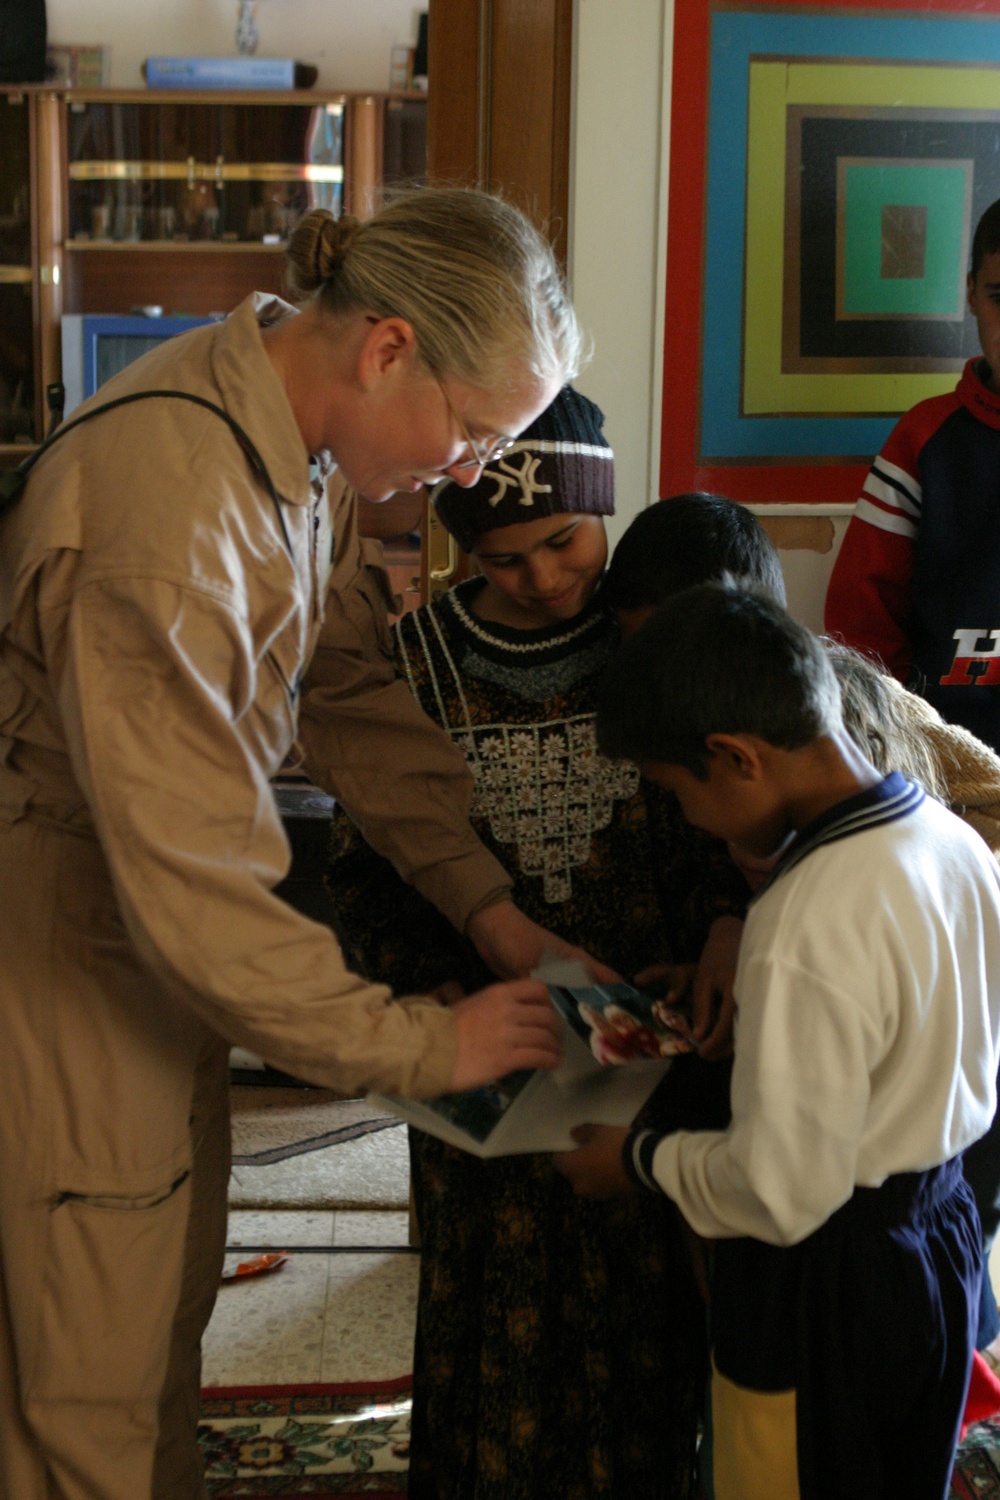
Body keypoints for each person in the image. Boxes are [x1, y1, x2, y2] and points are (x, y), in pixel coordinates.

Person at [0, 187, 594, 1500]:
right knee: (84, 1387)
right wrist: (430, 1048)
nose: (470, 477)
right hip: (70, 951)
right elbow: (197, 889)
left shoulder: (287, 443)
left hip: (142, 952)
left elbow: (346, 697)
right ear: (388, 348)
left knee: (152, 1312)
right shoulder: (169, 516)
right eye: (476, 433)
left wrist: (488, 907)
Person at [324, 393, 748, 1500]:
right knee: (490, 1334)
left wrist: (727, 927)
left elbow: (734, 817)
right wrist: (436, 1001)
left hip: (649, 1056)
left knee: (648, 1314)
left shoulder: (659, 638)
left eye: (564, 540)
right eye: (505, 559)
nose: (547, 578)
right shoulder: (404, 667)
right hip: (486, 1062)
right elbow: (367, 868)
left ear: (604, 507)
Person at [558, 583, 1000, 1500]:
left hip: (825, 1284)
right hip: (942, 1239)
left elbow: (782, 1192)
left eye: (678, 790)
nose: (684, 816)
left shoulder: (802, 917)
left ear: (734, 757)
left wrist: (637, 1160)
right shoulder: (946, 835)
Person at [825, 196, 1000, 756]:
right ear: (972, 293)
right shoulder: (924, 441)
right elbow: (862, 632)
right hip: (943, 761)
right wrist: (899, 749)